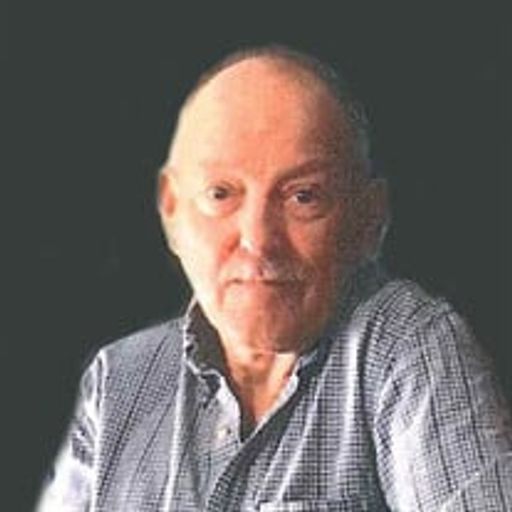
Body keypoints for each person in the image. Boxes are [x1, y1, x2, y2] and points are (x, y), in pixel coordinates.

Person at [37, 45, 512, 511]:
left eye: (303, 196)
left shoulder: (406, 348)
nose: (259, 239)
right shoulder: (118, 380)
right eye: (220, 193)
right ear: (172, 213)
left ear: (369, 221)